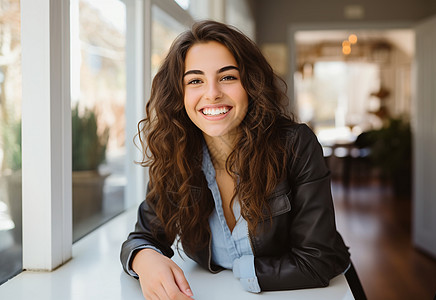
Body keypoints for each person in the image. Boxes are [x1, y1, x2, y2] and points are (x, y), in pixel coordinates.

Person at [120, 20, 351, 300]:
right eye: (195, 81)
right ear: (180, 96)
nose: (212, 93)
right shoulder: (177, 153)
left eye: (227, 77)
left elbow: (318, 260)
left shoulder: (295, 144)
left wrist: (246, 272)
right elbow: (143, 237)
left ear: (250, 83)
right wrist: (145, 260)